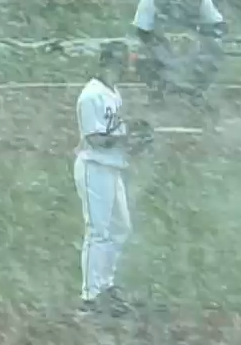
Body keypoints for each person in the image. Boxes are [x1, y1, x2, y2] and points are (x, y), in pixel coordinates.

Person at [73, 41, 152, 317]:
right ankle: (90, 297)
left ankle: (105, 285)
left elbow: (114, 133)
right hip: (94, 168)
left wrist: (134, 141)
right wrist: (127, 138)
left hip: (110, 168)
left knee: (121, 228)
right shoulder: (90, 96)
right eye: (126, 63)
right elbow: (95, 139)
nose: (129, 68)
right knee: (97, 231)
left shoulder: (112, 93)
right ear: (113, 63)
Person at [131, 0, 227, 111]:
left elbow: (219, 27)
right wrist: (163, 55)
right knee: (141, 56)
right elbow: (142, 32)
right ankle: (156, 93)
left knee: (215, 52)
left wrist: (199, 37)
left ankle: (197, 93)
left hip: (194, 50)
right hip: (161, 49)